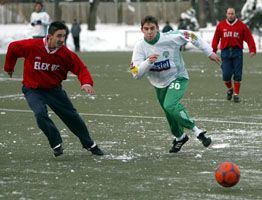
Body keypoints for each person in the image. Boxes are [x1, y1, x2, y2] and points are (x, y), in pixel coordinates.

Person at [4, 21, 104, 157]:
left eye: (64, 36)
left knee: (72, 117)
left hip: (54, 90)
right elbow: (13, 47)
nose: (62, 39)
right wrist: (9, 67)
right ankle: (56, 143)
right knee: (40, 113)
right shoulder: (32, 46)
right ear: (49, 36)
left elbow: (81, 68)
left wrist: (86, 82)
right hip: (33, 89)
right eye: (59, 36)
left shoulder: (65, 54)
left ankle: (89, 144)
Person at [130, 16, 221, 153]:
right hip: (159, 84)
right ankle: (180, 138)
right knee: (170, 116)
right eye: (146, 29)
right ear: (141, 30)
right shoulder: (139, 47)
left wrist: (209, 52)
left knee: (170, 105)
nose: (149, 32)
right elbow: (135, 73)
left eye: (152, 28)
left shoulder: (170, 37)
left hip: (177, 77)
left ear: (157, 28)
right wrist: (147, 62)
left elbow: (191, 35)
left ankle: (198, 132)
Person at [212, 8, 256, 103]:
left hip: (237, 52)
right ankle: (230, 89)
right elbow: (216, 38)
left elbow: (249, 37)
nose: (231, 15)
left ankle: (236, 94)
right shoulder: (221, 25)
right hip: (225, 52)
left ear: (235, 14)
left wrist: (252, 49)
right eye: (229, 13)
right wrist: (213, 50)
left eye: (232, 13)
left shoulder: (241, 25)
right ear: (226, 14)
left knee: (237, 74)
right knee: (226, 75)